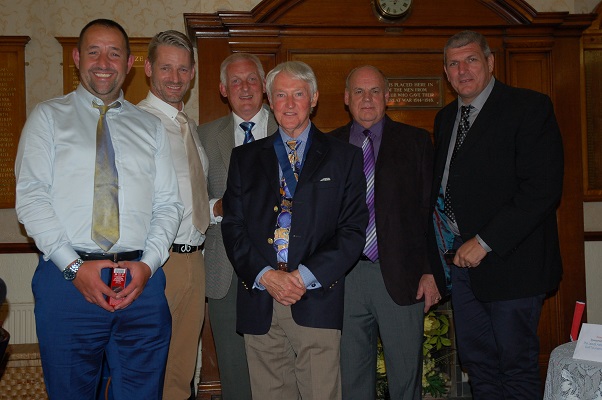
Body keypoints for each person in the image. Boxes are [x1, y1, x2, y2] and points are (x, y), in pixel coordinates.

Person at [14, 19, 183, 400]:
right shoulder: (47, 117)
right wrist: (74, 268)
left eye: (114, 53)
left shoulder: (150, 127)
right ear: (77, 58)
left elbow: (168, 204)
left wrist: (148, 265)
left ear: (129, 63)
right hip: (66, 283)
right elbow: (32, 198)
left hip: (141, 285)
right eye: (94, 52)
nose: (104, 62)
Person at [221, 60, 368, 400]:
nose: (289, 104)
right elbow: (233, 226)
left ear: (313, 98)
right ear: (269, 100)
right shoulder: (244, 158)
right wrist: (266, 276)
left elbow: (352, 231)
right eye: (280, 95)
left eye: (298, 94)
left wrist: (302, 277)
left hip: (315, 297)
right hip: (261, 297)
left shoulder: (344, 157)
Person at [428, 30, 564, 399]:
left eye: (471, 60)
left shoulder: (529, 107)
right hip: (461, 266)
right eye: (454, 64)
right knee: (479, 367)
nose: (463, 70)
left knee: (515, 368)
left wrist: (485, 241)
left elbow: (542, 189)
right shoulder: (445, 119)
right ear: (446, 73)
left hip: (513, 264)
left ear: (490, 63)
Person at [330, 65, 440, 400]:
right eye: (359, 91)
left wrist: (431, 271)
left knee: (406, 382)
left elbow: (431, 212)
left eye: (375, 91)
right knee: (351, 382)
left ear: (387, 97)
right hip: (344, 280)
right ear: (346, 98)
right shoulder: (328, 145)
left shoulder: (416, 142)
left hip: (402, 278)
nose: (367, 99)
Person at [197, 52, 277, 400]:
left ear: (264, 86)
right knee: (234, 373)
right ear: (223, 89)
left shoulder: (288, 126)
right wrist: (218, 207)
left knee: (281, 371)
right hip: (225, 271)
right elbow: (188, 201)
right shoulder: (202, 136)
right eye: (235, 81)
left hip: (282, 269)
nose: (244, 88)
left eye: (251, 80)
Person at [138, 30, 210, 400]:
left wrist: (219, 207)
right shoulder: (135, 122)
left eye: (183, 69)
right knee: (146, 369)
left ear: (193, 73)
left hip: (195, 258)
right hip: (157, 262)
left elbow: (188, 195)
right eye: (166, 67)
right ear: (148, 68)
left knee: (181, 374)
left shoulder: (188, 126)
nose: (175, 77)